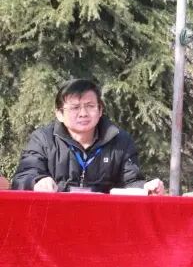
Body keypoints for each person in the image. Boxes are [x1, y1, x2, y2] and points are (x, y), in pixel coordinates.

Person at [12, 79, 164, 195]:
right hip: (54, 216)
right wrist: (37, 181)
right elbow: (22, 177)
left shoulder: (120, 140)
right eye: (75, 108)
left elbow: (130, 182)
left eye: (90, 106)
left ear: (100, 110)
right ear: (59, 114)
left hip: (103, 217)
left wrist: (145, 187)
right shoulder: (43, 139)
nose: (83, 113)